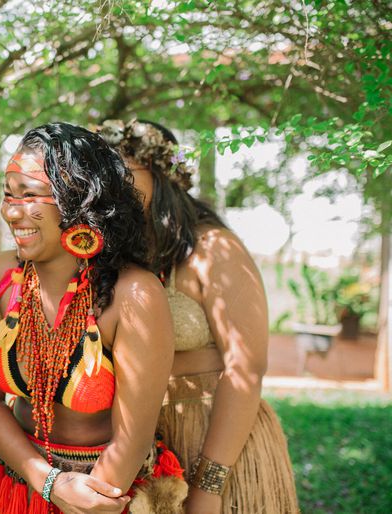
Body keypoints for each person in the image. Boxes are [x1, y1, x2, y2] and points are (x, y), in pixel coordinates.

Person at [0, 122, 187, 514]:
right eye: (8, 194)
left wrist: (84, 499)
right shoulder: (2, 276)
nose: (11, 212)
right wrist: (48, 482)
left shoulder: (133, 294)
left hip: (107, 493)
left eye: (29, 195)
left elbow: (132, 438)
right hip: (19, 486)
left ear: (76, 199)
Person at [100, 118, 299, 513]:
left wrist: (209, 483)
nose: (114, 185)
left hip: (215, 439)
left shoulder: (215, 249)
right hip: (139, 447)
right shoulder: (113, 257)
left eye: (126, 172)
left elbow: (246, 366)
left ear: (162, 175)